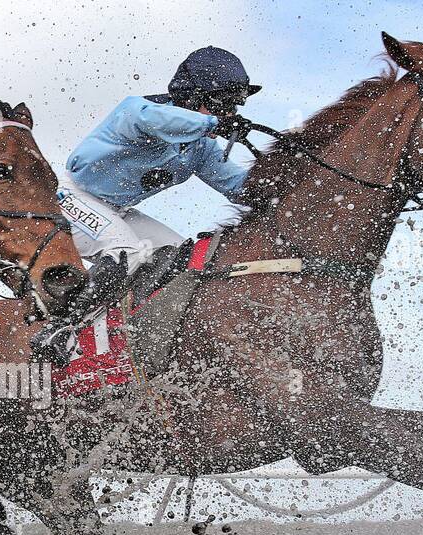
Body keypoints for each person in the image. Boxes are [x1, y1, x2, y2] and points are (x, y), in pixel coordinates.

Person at [33, 46, 261, 363]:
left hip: (116, 211)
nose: (229, 114)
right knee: (126, 251)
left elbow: (243, 188)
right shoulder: (138, 112)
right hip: (70, 197)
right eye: (223, 104)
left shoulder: (201, 149)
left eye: (234, 106)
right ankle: (60, 328)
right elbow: (149, 117)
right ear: (192, 97)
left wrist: (290, 171)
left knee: (182, 256)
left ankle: (131, 334)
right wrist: (210, 124)